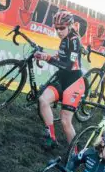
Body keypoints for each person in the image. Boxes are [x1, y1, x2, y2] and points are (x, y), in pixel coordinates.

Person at [36, 10, 85, 149]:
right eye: (56, 28)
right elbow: (61, 57)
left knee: (65, 121)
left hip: (74, 81)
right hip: (62, 77)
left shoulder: (74, 40)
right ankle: (51, 137)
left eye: (62, 28)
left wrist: (48, 58)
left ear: (69, 26)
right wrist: (44, 56)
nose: (59, 31)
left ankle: (75, 154)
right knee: (43, 100)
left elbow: (69, 66)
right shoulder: (65, 39)